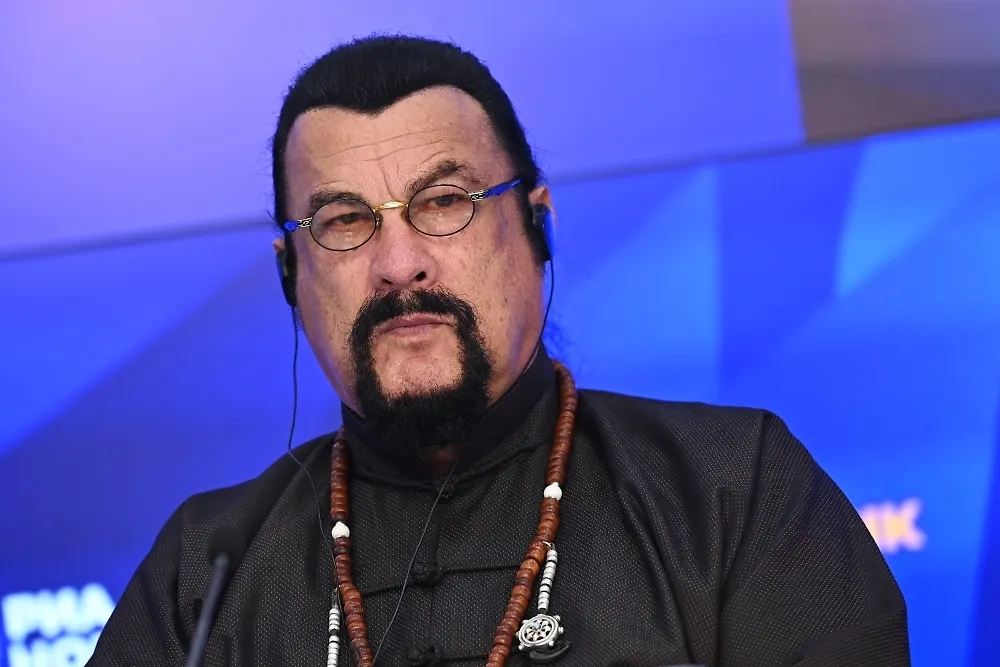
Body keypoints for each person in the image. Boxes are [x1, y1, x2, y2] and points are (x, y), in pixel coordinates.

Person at [87, 35, 909, 667]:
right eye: (345, 220)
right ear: (289, 274)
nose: (399, 263)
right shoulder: (206, 572)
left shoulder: (731, 491)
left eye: (444, 201)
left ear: (537, 226)